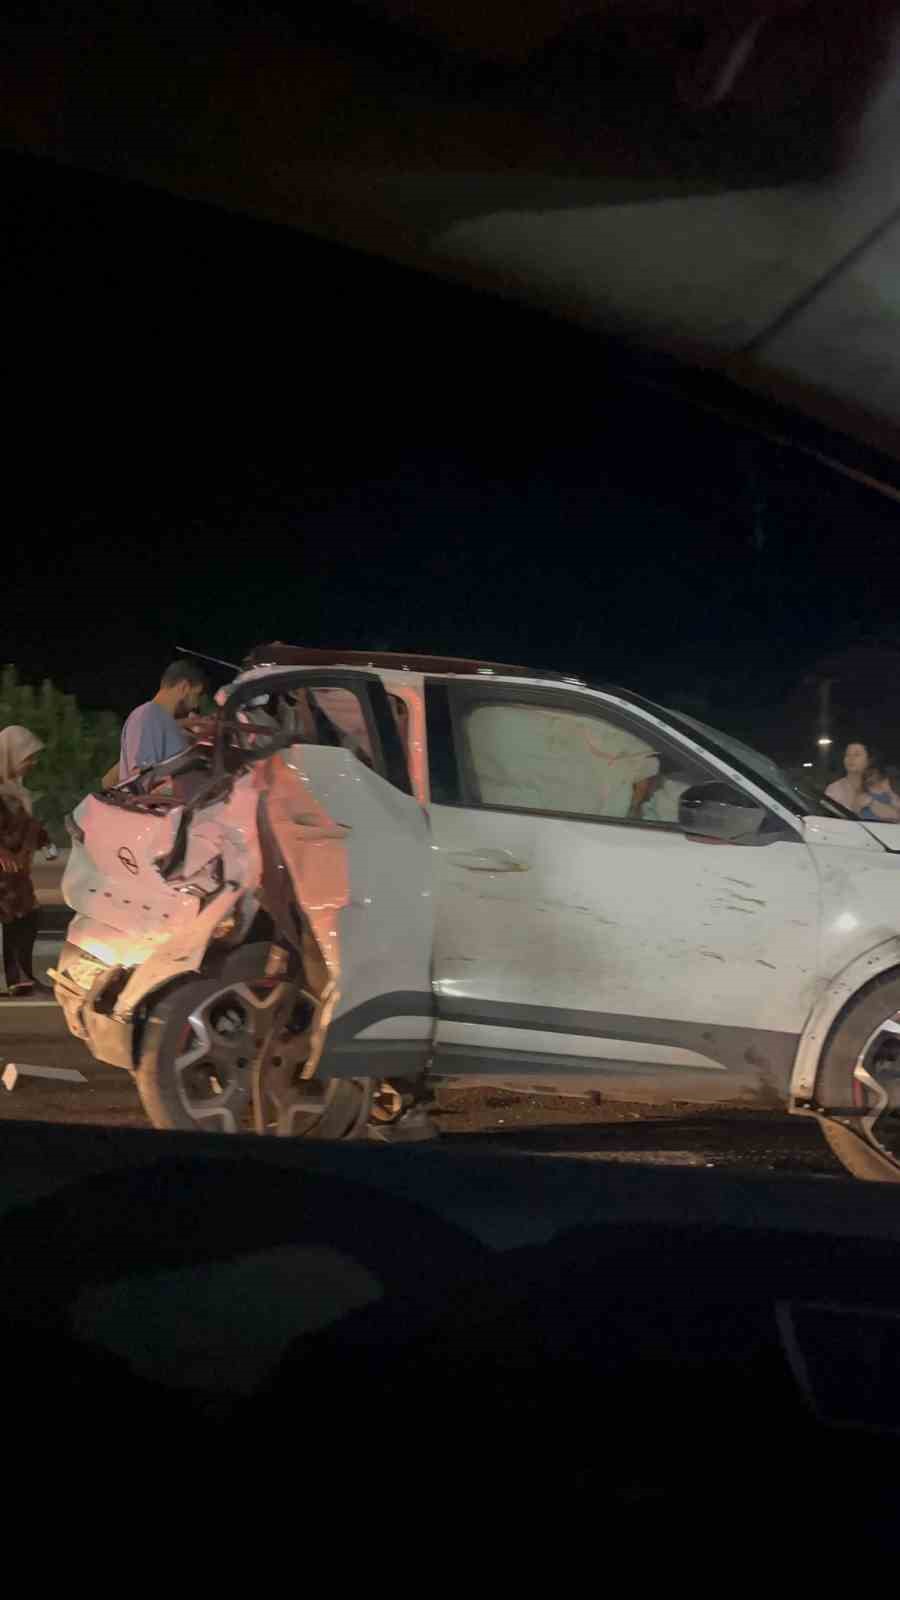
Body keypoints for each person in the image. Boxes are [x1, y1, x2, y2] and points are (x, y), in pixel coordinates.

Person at [0, 726, 50, 997]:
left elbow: (30, 826)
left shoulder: (16, 790)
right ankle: (16, 978)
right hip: (4, 871)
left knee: (26, 918)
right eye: (28, 757)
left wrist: (43, 842)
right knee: (14, 917)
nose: (32, 763)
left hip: (16, 871)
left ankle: (21, 978)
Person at [118, 659, 207, 783]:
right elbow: (141, 779)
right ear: (184, 687)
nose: (195, 705)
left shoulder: (164, 722)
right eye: (196, 695)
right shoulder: (148, 715)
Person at [825, 741, 874, 814]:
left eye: (857, 754)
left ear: (868, 761)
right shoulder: (833, 790)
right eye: (847, 755)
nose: (851, 758)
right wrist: (855, 808)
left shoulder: (877, 787)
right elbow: (830, 821)